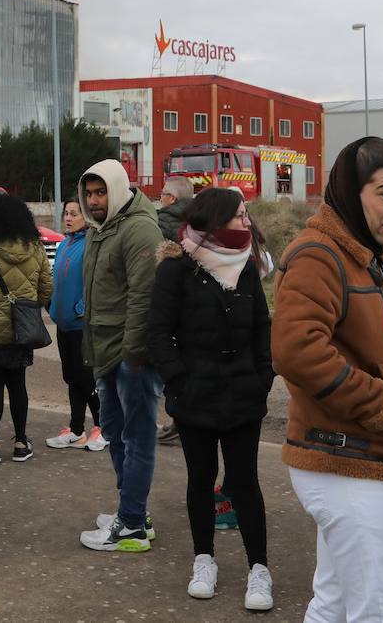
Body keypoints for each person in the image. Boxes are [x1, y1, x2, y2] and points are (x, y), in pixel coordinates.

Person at [271, 136, 383, 621]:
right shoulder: (320, 253)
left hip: (354, 461)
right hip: (347, 461)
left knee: (333, 604)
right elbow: (296, 349)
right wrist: (378, 404)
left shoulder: (359, 254)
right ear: (349, 191)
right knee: (378, 611)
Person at [148, 188, 275, 611]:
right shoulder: (177, 268)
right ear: (216, 219)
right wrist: (178, 382)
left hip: (244, 394)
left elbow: (262, 326)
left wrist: (263, 376)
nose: (246, 222)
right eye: (239, 215)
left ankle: (260, 569)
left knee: (244, 483)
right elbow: (159, 333)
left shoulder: (247, 267)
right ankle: (205, 560)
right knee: (200, 480)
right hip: (195, 395)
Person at [75, 159, 165, 553]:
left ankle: (130, 526)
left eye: (101, 193)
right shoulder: (102, 227)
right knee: (113, 432)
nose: (94, 201)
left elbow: (143, 301)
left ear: (117, 188)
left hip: (132, 357)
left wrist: (133, 356)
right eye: (89, 194)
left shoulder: (140, 229)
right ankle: (134, 510)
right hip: (106, 351)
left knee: (138, 437)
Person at [0, 193, 53, 464]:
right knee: (18, 385)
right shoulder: (35, 247)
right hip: (22, 329)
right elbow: (46, 287)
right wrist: (31, 305)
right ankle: (21, 442)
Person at [45, 198, 106, 451]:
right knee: (71, 378)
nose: (68, 218)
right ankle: (77, 429)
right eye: (66, 213)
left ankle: (103, 428)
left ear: (87, 217)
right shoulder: (63, 244)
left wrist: (82, 308)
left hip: (82, 325)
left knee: (86, 378)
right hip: (63, 323)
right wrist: (51, 305)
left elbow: (98, 281)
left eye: (74, 214)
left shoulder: (92, 244)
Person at [155, 177, 195, 446]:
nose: (159, 198)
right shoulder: (199, 220)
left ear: (172, 198)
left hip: (170, 301)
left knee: (169, 364)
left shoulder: (162, 222)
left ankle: (178, 419)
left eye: (162, 194)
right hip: (193, 302)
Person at [157, 175, 195, 240]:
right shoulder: (201, 218)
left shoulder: (163, 221)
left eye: (163, 193)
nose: (160, 199)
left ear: (172, 198)